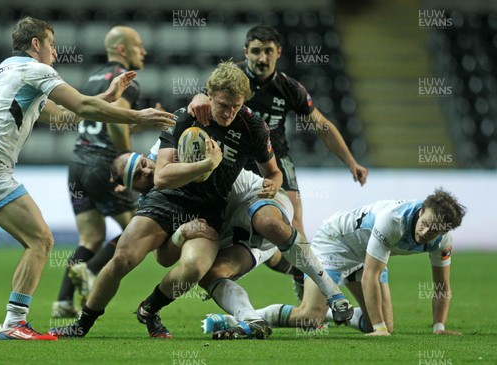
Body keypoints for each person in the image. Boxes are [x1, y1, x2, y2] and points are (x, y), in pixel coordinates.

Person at [0, 17, 175, 340]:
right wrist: (137, 115)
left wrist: (109, 96)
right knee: (41, 241)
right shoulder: (37, 70)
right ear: (36, 44)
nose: (56, 53)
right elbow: (81, 105)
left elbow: (63, 115)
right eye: (52, 45)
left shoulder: (7, 71)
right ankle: (15, 322)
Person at [48, 61, 284, 339]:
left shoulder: (254, 129)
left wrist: (273, 184)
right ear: (208, 95)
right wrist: (206, 165)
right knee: (123, 257)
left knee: (194, 269)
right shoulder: (186, 116)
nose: (229, 112)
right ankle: (81, 324)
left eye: (236, 105)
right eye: (223, 105)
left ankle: (149, 308)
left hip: (207, 211)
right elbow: (161, 177)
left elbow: (274, 172)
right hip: (167, 199)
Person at [109, 151, 354, 340]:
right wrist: (181, 234)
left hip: (256, 198)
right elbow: (163, 258)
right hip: (232, 230)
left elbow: (271, 165)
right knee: (208, 273)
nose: (147, 172)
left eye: (143, 164)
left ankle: (331, 290)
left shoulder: (173, 152)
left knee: (267, 222)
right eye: (138, 177)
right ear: (130, 188)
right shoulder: (155, 203)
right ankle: (250, 320)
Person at [203, 189, 466, 336]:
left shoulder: (441, 240)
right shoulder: (394, 221)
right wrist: (380, 330)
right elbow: (370, 277)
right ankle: (237, 319)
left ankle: (337, 313)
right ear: (421, 211)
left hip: (366, 252)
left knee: (383, 322)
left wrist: (439, 327)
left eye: (434, 231)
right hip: (336, 241)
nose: (425, 232)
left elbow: (442, 286)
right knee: (310, 316)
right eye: (425, 224)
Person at [189, 25, 368, 237]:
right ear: (245, 52)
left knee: (293, 222)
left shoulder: (290, 89)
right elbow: (202, 99)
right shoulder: (229, 80)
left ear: (279, 53)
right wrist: (197, 97)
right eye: (256, 51)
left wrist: (351, 162)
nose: (262, 58)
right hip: (235, 156)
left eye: (268, 51)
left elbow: (322, 127)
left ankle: (302, 270)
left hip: (275, 158)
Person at [52, 25, 150, 318]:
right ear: (122, 49)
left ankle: (63, 302)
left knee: (91, 238)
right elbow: (115, 122)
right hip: (103, 165)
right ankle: (91, 272)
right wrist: (127, 162)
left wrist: (138, 124)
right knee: (137, 229)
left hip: (78, 164)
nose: (143, 51)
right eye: (138, 45)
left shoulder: (93, 78)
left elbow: (101, 117)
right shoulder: (126, 81)